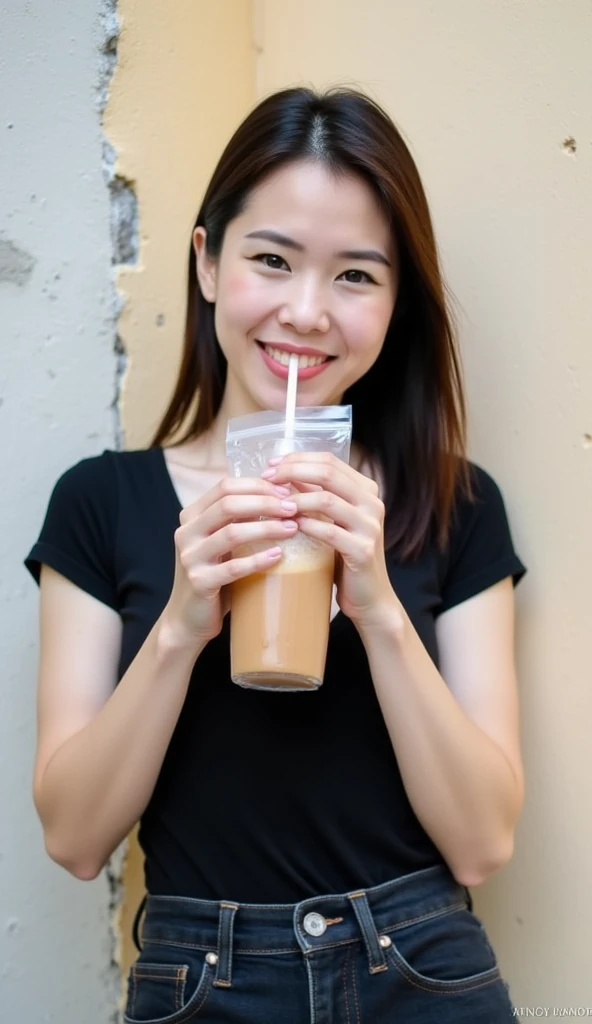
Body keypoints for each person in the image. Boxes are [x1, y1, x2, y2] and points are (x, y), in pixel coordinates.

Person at [25, 86, 527, 1023]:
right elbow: (76, 837)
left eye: (355, 276)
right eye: (272, 259)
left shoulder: (456, 505)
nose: (306, 311)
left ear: (396, 302)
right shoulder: (102, 505)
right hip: (201, 980)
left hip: (422, 970)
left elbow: (482, 844)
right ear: (208, 263)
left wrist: (376, 607)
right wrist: (180, 624)